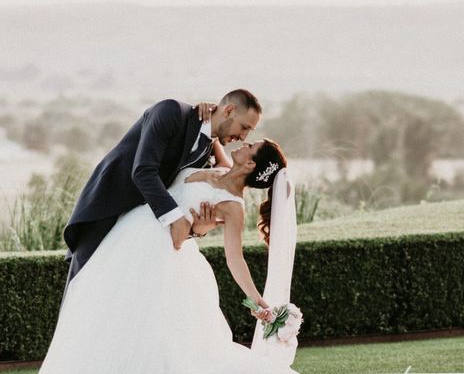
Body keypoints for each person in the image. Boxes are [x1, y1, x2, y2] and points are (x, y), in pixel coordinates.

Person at [41, 139, 299, 374]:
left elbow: (235, 258)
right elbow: (214, 136)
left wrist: (257, 300)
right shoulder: (222, 167)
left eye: (250, 145)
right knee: (108, 307)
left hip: (163, 254)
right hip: (133, 231)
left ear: (251, 163)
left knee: (150, 327)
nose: (244, 142)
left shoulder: (233, 206)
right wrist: (209, 119)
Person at [62, 89, 262, 285]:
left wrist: (198, 230)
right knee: (84, 286)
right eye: (244, 127)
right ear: (228, 111)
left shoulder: (207, 149)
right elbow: (143, 171)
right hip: (108, 207)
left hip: (141, 232)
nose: (244, 137)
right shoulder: (171, 112)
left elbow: (223, 178)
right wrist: (176, 219)